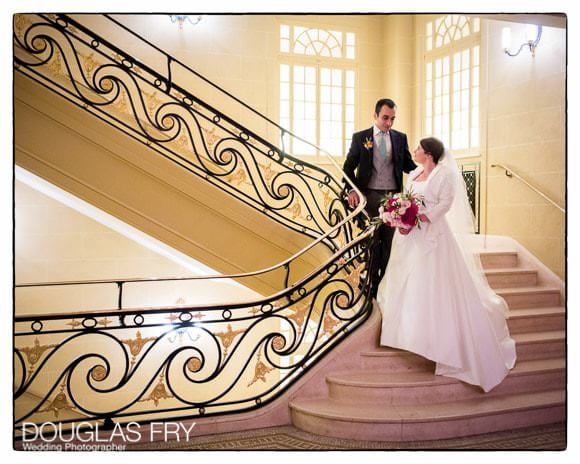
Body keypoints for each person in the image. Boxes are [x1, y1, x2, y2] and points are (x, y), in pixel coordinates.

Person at [377, 137, 516, 392]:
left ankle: (435, 342)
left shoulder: (444, 175)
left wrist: (418, 217)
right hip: (409, 237)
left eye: (418, 148)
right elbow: (406, 199)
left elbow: (444, 204)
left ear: (428, 153)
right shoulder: (415, 173)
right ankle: (403, 333)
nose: (414, 151)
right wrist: (399, 216)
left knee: (430, 285)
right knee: (405, 280)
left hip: (433, 237)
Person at [343, 98, 416, 296]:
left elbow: (409, 165)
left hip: (394, 199)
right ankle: (371, 288)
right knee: (372, 243)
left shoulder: (400, 138)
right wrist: (351, 191)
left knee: (390, 244)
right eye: (385, 118)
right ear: (375, 115)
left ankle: (387, 288)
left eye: (392, 119)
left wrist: (429, 168)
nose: (389, 123)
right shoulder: (361, 138)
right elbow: (348, 167)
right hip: (370, 197)